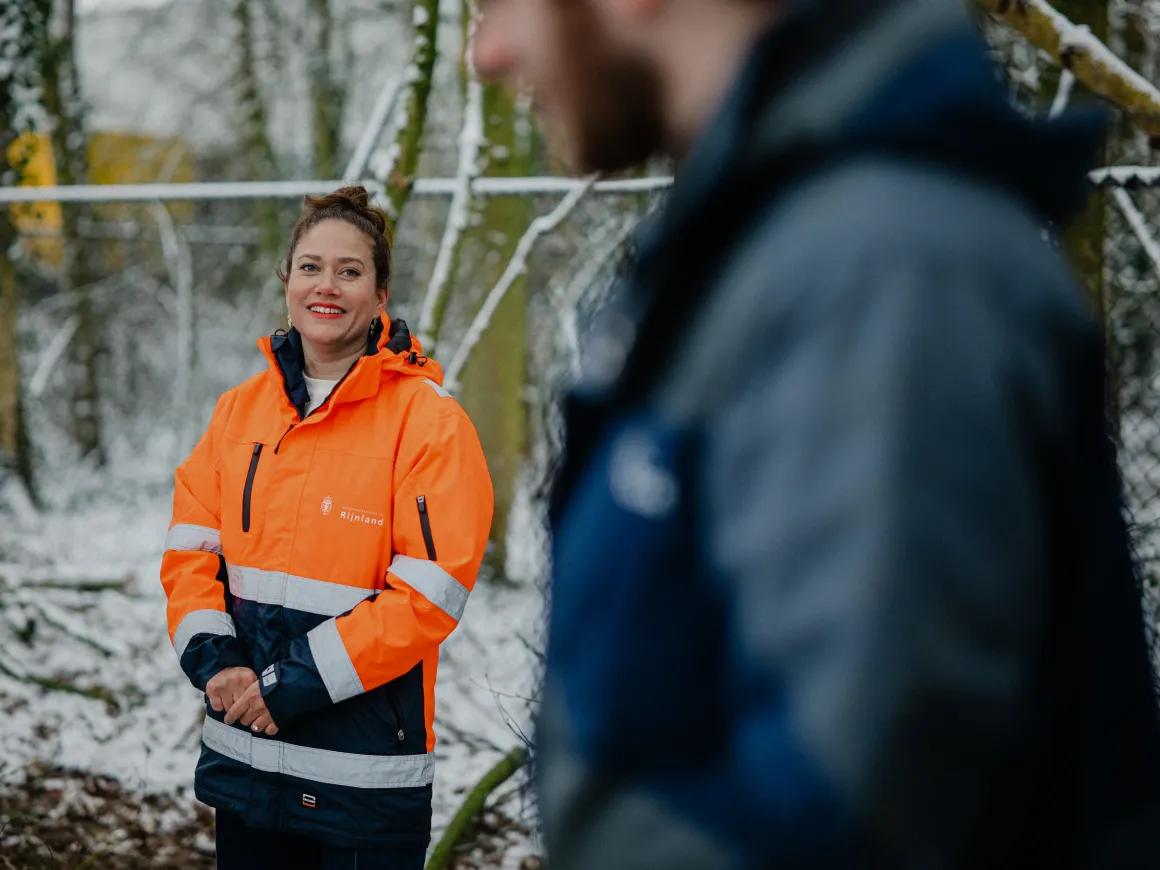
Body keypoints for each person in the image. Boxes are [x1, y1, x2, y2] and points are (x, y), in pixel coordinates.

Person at [474, 0, 1160, 867]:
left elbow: (831, 821)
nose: (489, 53)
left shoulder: (881, 269)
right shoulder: (765, 248)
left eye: (498, 3)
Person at [160, 186, 493, 869]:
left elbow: (428, 597)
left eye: (349, 271)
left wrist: (290, 686)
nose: (326, 286)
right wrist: (216, 665)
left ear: (380, 290)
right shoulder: (238, 412)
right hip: (247, 757)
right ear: (287, 278)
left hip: (361, 778)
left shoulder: (430, 424)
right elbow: (191, 551)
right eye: (310, 266)